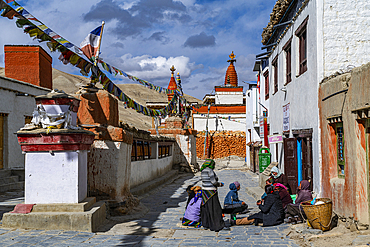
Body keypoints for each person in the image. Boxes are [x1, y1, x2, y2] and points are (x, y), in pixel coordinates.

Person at [200, 159, 227, 231]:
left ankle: (206, 224)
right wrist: (220, 184)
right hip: (211, 191)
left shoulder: (202, 171)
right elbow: (214, 182)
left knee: (207, 208)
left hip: (204, 191)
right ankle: (216, 225)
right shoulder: (210, 171)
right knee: (215, 209)